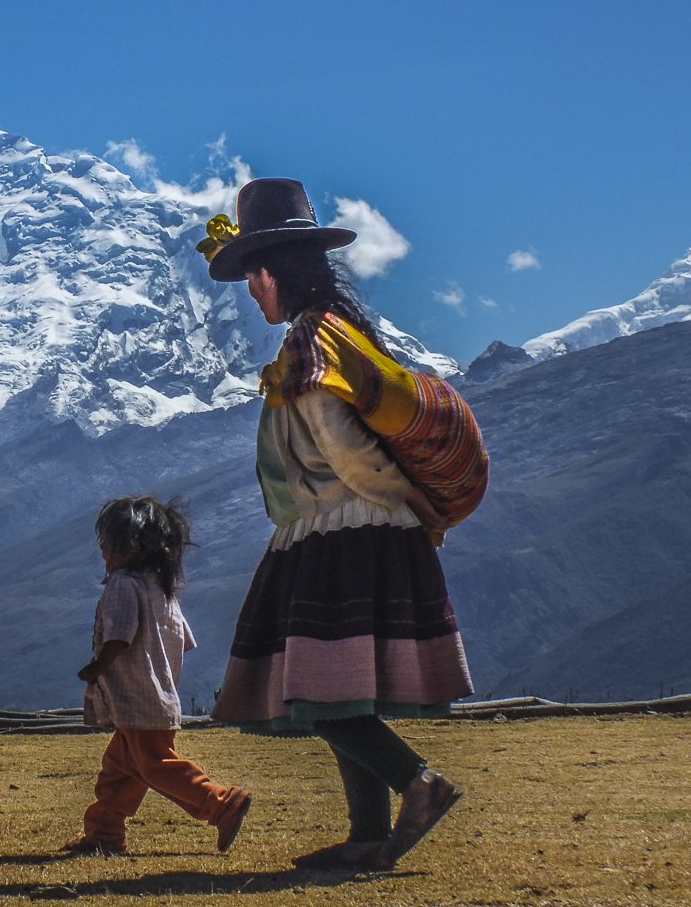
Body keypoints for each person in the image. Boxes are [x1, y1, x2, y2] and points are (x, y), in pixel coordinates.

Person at [201, 178, 475, 872]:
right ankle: (367, 836)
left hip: (344, 529)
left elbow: (343, 447)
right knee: (339, 686)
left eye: (253, 281)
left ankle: (419, 783)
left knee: (320, 691)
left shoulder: (312, 341)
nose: (253, 293)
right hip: (352, 525)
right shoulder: (333, 331)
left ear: (267, 273)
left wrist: (385, 505)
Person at [63, 495, 253, 857]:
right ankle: (104, 833)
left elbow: (119, 636)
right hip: (159, 697)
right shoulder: (162, 590)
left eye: (110, 540)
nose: (103, 548)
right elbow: (183, 642)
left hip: (137, 699)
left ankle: (219, 803)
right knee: (120, 768)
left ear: (132, 546)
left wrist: (97, 667)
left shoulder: (123, 585)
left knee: (154, 764)